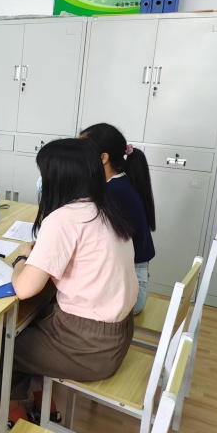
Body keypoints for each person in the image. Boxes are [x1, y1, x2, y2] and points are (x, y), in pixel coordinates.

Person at [9, 138, 137, 423]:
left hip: (87, 346)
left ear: (59, 177)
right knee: (31, 323)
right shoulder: (107, 209)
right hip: (117, 334)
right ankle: (44, 405)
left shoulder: (64, 218)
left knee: (0, 347)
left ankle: (11, 417)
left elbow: (24, 288)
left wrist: (21, 259)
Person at [80, 123, 156, 315]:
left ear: (103, 158)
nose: (76, 156)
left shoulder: (113, 191)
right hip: (129, 283)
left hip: (129, 295)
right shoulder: (118, 183)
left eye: (81, 150)